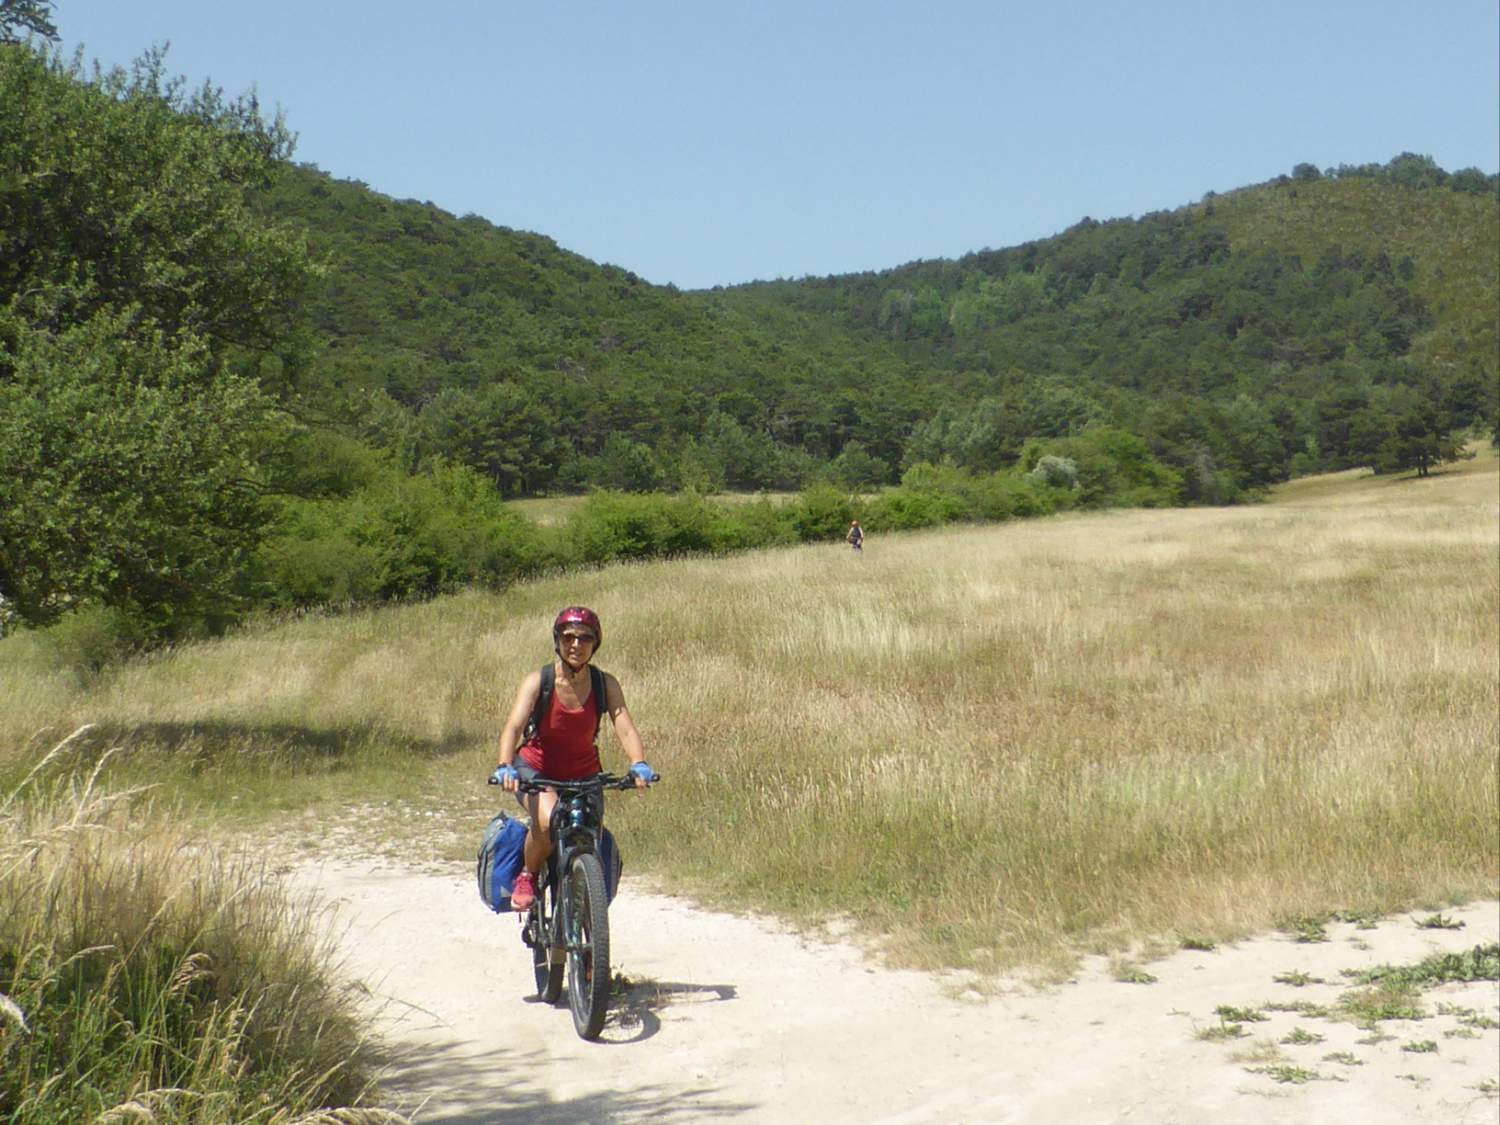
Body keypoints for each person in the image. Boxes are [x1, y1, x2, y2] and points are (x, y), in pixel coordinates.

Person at [491, 606, 656, 911]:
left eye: (585, 638)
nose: (576, 644)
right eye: (568, 637)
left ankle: (588, 916)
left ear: (595, 643)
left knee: (589, 834)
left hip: (584, 774)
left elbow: (625, 727)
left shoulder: (605, 684)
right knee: (548, 822)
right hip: (535, 771)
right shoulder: (539, 681)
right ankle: (528, 874)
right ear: (558, 641)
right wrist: (505, 766)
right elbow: (513, 726)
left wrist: (638, 763)